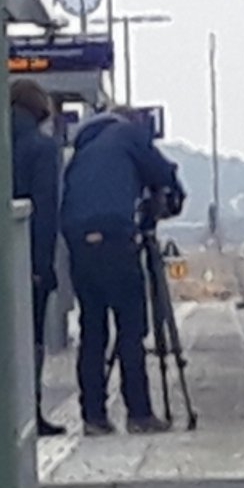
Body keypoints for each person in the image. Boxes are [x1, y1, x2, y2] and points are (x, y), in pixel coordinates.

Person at [60, 105, 184, 435]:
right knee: (131, 328)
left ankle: (93, 417)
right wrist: (167, 196)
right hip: (116, 237)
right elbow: (163, 174)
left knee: (93, 330)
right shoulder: (128, 134)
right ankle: (140, 414)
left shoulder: (83, 149)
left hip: (77, 241)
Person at [0, 78, 66, 436]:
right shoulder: (43, 148)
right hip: (26, 263)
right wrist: (42, 266)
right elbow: (46, 211)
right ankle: (30, 411)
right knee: (29, 338)